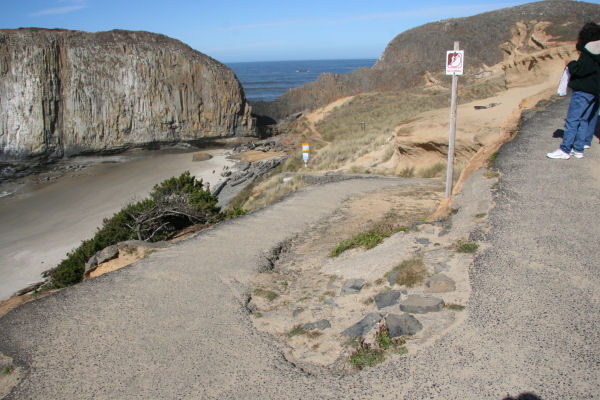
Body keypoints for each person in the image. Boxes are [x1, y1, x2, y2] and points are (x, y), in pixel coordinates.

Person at [547, 22, 600, 159]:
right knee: (584, 119)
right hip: (594, 91)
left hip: (583, 91)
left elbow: (581, 70)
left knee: (572, 119)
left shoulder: (589, 52)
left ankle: (565, 150)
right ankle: (578, 149)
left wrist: (570, 64)